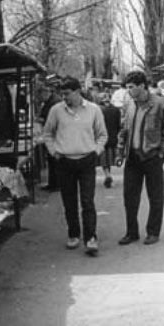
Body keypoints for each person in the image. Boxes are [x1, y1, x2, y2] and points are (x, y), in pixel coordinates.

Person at [43, 77, 107, 255]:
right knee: (69, 201)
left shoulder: (93, 110)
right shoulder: (56, 110)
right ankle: (73, 234)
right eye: (62, 94)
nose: (64, 97)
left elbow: (102, 135)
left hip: (87, 160)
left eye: (67, 93)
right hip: (64, 161)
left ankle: (91, 238)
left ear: (78, 91)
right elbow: (47, 133)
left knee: (87, 201)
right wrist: (54, 152)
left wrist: (96, 151)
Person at [117, 71, 164, 246]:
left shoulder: (159, 104)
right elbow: (124, 129)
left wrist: (161, 153)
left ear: (142, 86)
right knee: (130, 197)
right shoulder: (129, 104)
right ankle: (131, 232)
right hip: (133, 157)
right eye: (127, 88)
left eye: (131, 87)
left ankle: (153, 232)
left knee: (155, 197)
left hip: (152, 157)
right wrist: (121, 151)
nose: (128, 91)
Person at [39, 85, 61, 191]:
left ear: (46, 92)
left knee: (54, 160)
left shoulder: (54, 102)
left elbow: (51, 119)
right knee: (52, 161)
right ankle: (52, 183)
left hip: (55, 136)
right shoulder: (51, 101)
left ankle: (56, 184)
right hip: (53, 135)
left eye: (41, 95)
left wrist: (41, 120)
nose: (41, 98)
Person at [98, 93, 121, 188]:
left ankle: (107, 174)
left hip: (101, 139)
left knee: (104, 159)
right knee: (109, 158)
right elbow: (119, 125)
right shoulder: (116, 110)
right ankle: (108, 174)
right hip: (112, 138)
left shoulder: (98, 109)